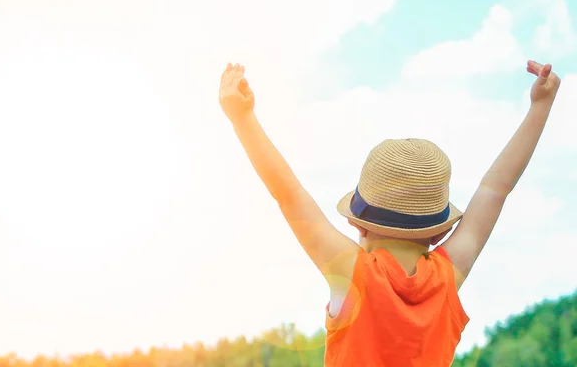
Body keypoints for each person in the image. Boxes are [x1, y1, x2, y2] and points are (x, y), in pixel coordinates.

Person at [218, 60, 561, 366]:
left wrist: (243, 119)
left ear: (357, 224)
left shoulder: (353, 275)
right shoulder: (446, 279)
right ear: (439, 231)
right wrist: (540, 108)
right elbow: (495, 190)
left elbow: (288, 195)